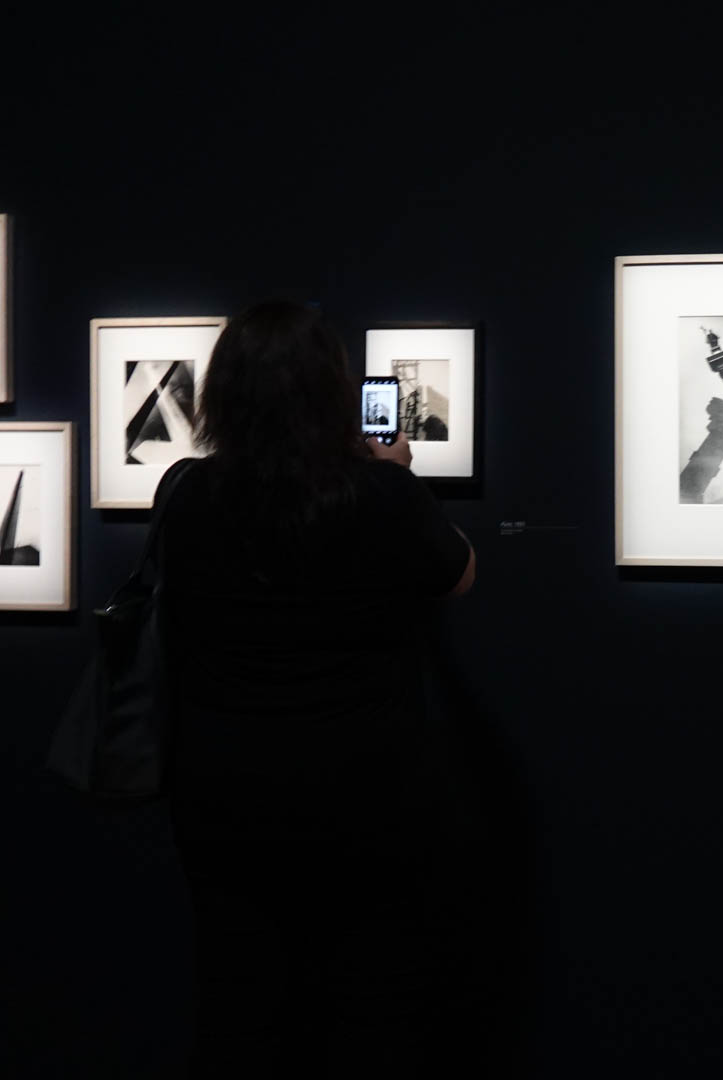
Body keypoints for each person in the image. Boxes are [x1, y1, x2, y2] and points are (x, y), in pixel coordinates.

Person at [156, 299, 477, 1076]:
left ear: (223, 394)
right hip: (364, 788)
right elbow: (459, 574)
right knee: (371, 1004)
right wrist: (395, 477)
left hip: (222, 788)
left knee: (238, 1001)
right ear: (331, 393)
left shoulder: (186, 492)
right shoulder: (381, 496)